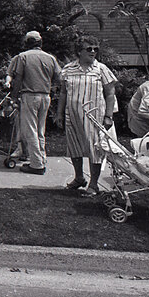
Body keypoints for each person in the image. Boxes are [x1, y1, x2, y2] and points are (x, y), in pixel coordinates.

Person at [56, 36, 118, 197]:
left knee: (94, 149)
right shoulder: (68, 69)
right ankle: (79, 178)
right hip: (73, 115)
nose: (93, 52)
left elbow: (110, 94)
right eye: (89, 49)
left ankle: (94, 184)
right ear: (79, 51)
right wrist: (59, 114)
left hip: (94, 117)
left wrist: (109, 116)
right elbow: (63, 93)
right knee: (74, 146)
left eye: (95, 49)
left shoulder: (101, 69)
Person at [6, 31, 61, 175]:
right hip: (45, 96)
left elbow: (18, 79)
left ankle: (36, 164)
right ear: (40, 43)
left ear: (27, 42)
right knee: (40, 130)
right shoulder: (50, 58)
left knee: (30, 130)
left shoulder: (24, 57)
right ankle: (41, 158)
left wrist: (14, 96)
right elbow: (58, 78)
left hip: (30, 95)